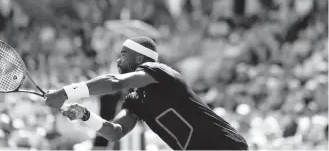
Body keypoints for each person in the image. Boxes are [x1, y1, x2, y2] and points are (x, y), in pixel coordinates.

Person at [45, 36, 249, 150]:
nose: (118, 61)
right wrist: (85, 115)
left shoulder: (161, 72)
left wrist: (65, 92)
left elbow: (114, 82)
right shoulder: (135, 101)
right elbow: (115, 132)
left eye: (123, 55)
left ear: (140, 60)